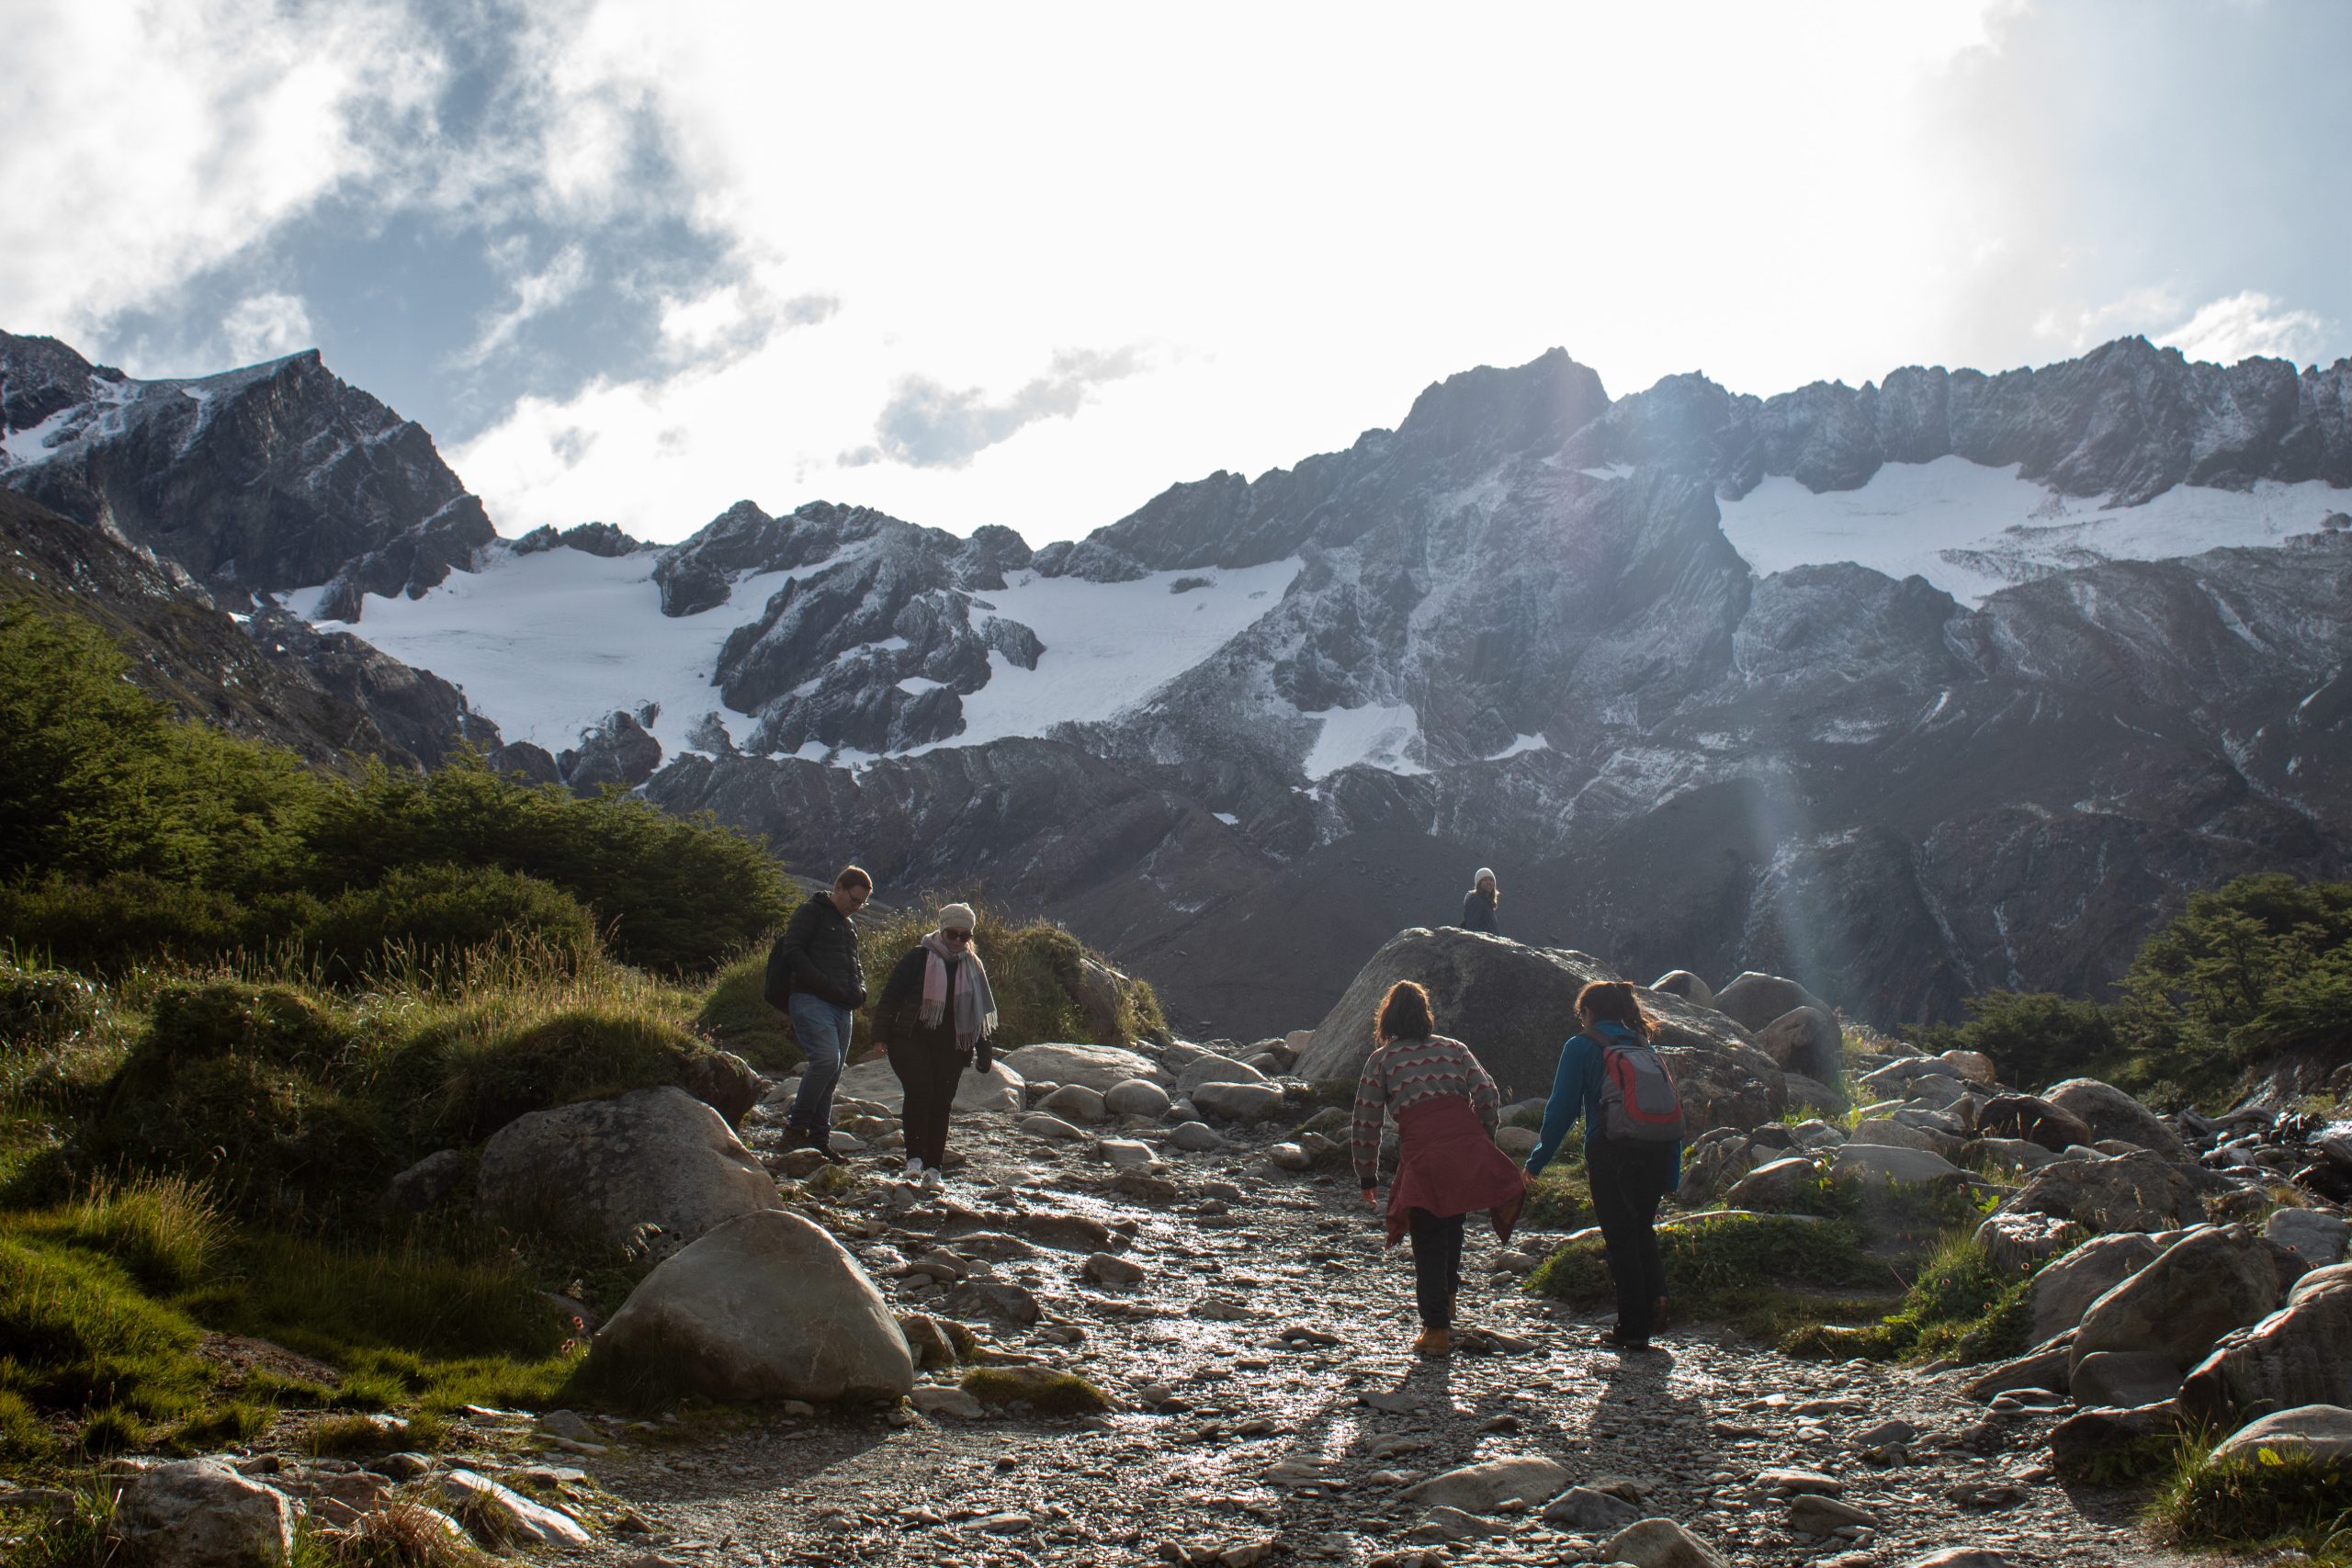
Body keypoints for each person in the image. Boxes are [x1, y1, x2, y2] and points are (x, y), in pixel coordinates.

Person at [1351, 980, 1529, 1357]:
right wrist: (1483, 1136)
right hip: (1464, 1147)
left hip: (1424, 1153)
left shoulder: (1382, 1060)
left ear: (1387, 1018)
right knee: (1452, 1226)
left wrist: (1367, 1175)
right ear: (1425, 1014)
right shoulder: (1454, 1048)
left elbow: (1366, 1121)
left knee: (1428, 1236)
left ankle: (1435, 1331)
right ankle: (1447, 1305)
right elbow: (1488, 1092)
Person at [1525, 979, 1683, 1351]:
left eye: (1581, 1014)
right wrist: (1673, 1173)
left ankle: (1633, 1327)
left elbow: (1562, 1111)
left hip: (1611, 1150)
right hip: (1658, 1149)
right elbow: (1669, 1107)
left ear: (1589, 1013)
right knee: (1642, 1228)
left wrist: (1536, 1162)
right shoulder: (1644, 1046)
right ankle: (1657, 1297)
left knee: (1620, 1236)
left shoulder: (1581, 1046)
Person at [871, 900, 999, 1190]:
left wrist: (984, 1049)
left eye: (964, 936)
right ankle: (914, 1162)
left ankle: (934, 1170)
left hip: (952, 1045)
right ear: (942, 930)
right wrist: (879, 1036)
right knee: (920, 1092)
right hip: (910, 1038)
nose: (957, 941)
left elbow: (978, 1013)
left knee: (942, 1102)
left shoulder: (973, 966)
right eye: (952, 934)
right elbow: (891, 997)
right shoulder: (918, 958)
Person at [766, 865, 872, 1160]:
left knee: (832, 1074)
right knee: (826, 1061)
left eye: (862, 904)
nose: (856, 907)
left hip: (843, 1007)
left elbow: (854, 965)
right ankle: (795, 1130)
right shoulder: (810, 912)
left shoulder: (849, 926)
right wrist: (822, 983)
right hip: (811, 999)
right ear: (838, 888)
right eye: (853, 900)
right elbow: (793, 950)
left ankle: (819, 1140)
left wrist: (860, 990)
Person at [1459, 867, 1500, 934]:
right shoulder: (1476, 899)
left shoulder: (1487, 901)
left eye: (1491, 880)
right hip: (1482, 940)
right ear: (1478, 883)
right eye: (1485, 880)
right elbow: (1472, 926)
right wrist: (1487, 938)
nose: (1488, 882)